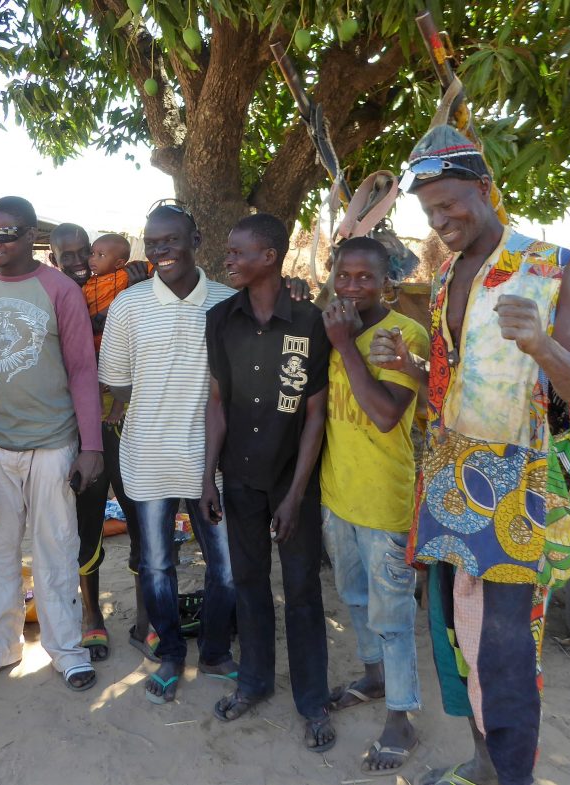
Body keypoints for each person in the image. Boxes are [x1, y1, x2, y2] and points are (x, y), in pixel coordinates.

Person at [371, 125, 570, 785]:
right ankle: (481, 764)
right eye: (430, 212)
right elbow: (456, 390)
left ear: (484, 188)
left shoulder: (545, 267)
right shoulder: (448, 274)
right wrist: (415, 368)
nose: (442, 221)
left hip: (518, 495)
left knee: (505, 650)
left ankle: (512, 778)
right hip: (450, 483)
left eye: (451, 205)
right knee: (457, 636)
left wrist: (544, 348)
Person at [0, 197, 104, 692]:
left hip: (52, 442)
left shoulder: (59, 290)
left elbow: (84, 370)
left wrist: (90, 446)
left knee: (56, 548)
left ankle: (66, 650)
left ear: (29, 237)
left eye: (7, 233)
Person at [201, 214, 334, 752]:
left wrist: (297, 494)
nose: (228, 260)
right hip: (239, 477)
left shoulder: (310, 322)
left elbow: (316, 415)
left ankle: (313, 701)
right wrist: (208, 475)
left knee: (302, 590)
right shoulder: (220, 319)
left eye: (237, 252)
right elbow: (217, 401)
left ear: (270, 257)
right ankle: (253, 681)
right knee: (250, 584)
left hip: (292, 480)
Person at [98, 200, 239, 704]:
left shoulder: (227, 303)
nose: (160, 250)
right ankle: (172, 653)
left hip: (211, 463)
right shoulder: (129, 306)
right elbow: (115, 382)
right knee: (157, 566)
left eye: (171, 240)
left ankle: (218, 652)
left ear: (195, 240)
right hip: (148, 456)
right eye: (152, 242)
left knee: (224, 568)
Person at [319, 236, 429, 775]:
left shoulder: (405, 336)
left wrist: (343, 345)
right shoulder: (332, 322)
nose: (354, 287)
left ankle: (401, 717)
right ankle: (374, 676)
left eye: (366, 278)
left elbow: (386, 414)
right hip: (338, 496)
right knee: (353, 596)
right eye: (345, 276)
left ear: (387, 282)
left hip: (384, 501)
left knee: (393, 614)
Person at [47, 224, 156, 664]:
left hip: (128, 420)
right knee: (88, 518)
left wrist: (136, 272)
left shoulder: (130, 283)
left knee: (141, 514)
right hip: (80, 425)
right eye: (70, 256)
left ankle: (147, 617)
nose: (80, 262)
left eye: (87, 254)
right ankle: (92, 615)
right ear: (53, 259)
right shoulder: (51, 294)